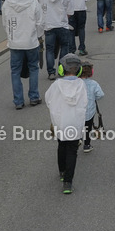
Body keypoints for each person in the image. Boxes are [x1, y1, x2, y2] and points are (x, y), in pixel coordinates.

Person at [46, 53, 88, 194]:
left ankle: (62, 172)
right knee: (72, 150)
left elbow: (48, 100)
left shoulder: (56, 85)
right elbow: (85, 103)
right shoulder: (81, 85)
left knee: (61, 145)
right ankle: (68, 183)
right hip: (75, 123)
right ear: (79, 70)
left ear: (61, 69)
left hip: (61, 122)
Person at [3, 0, 43, 109]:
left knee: (15, 71)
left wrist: (10, 36)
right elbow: (39, 22)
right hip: (31, 41)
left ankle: (18, 101)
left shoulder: (7, 3)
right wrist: (38, 36)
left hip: (14, 42)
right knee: (33, 68)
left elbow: (5, 23)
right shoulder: (33, 2)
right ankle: (34, 96)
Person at [40, 0, 74, 78]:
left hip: (49, 24)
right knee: (64, 47)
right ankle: (61, 70)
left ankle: (51, 72)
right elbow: (70, 12)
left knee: (49, 49)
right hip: (62, 24)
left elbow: (41, 8)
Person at [80, 59, 105, 152]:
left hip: (77, 111)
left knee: (78, 126)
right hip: (89, 111)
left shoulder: (76, 83)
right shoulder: (93, 84)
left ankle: (78, 138)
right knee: (88, 127)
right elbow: (100, 94)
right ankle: (87, 145)